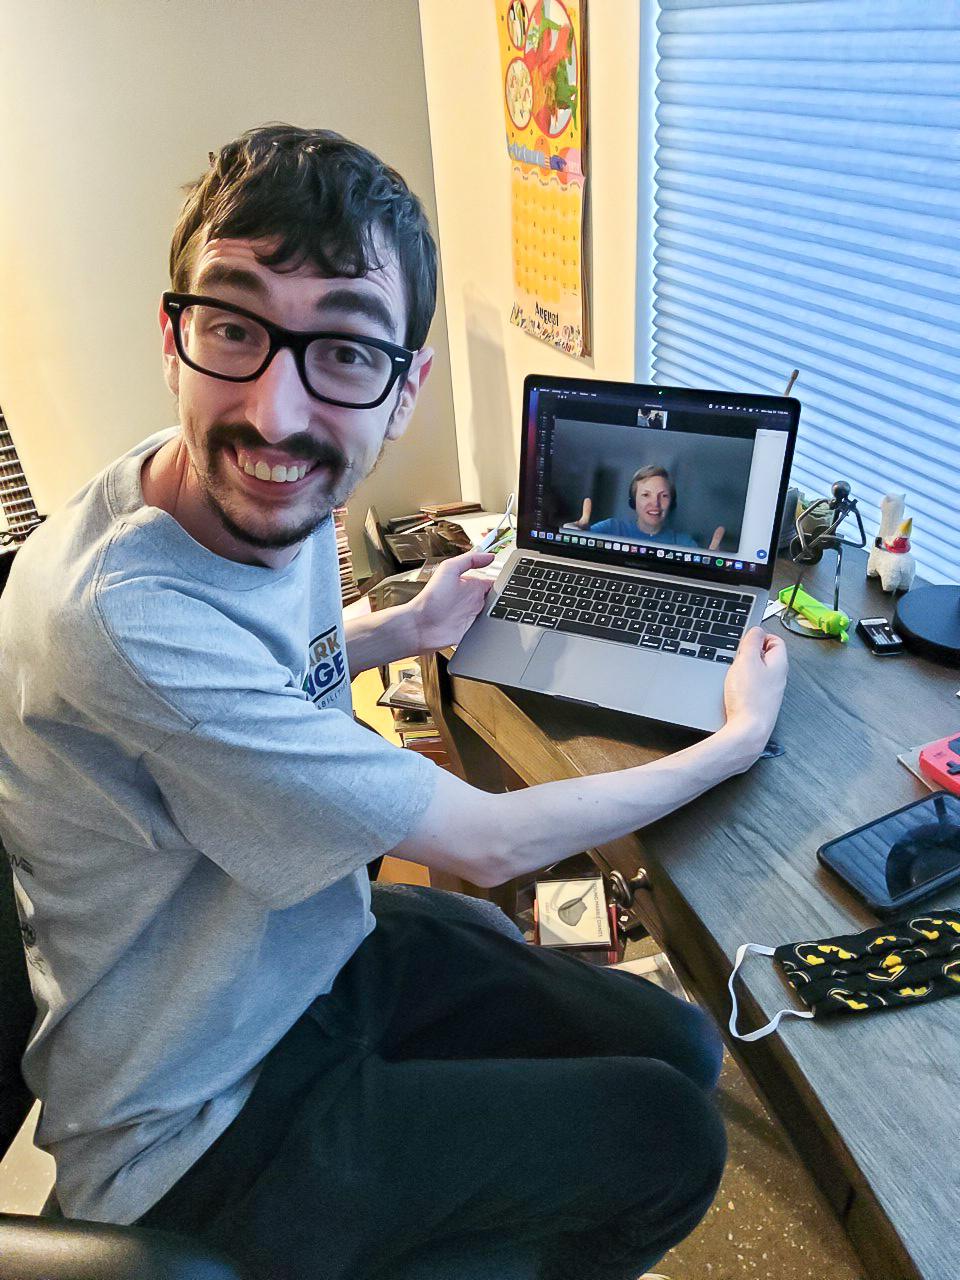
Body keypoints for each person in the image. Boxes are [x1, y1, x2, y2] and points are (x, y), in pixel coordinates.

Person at [0, 124, 787, 1280]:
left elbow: (246, 672)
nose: (275, 411)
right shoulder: (115, 609)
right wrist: (734, 740)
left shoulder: (226, 482)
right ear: (174, 336)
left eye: (345, 352)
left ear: (405, 385)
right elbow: (483, 836)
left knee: (673, 1035)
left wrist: (396, 626)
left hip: (304, 954)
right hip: (200, 1117)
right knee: (670, 1136)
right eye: (234, 325)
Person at [573, 465, 725, 550]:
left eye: (664, 496)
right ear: (633, 501)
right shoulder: (611, 527)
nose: (656, 504)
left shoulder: (685, 543)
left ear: (672, 502)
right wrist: (571, 533)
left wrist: (714, 567)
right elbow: (577, 547)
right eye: (646, 495)